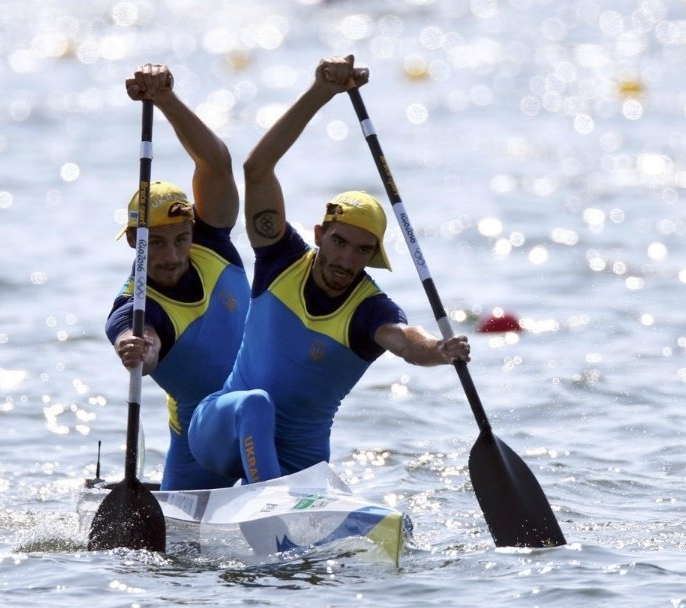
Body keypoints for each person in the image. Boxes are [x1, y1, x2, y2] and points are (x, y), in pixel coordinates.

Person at [187, 55, 471, 485]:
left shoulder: (369, 310)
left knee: (392, 525)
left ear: (373, 254)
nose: (346, 259)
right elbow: (256, 169)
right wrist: (321, 91)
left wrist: (440, 350)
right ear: (319, 234)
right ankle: (273, 503)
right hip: (218, 432)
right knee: (255, 404)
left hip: (300, 459)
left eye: (361, 250)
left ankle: (284, 505)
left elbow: (407, 342)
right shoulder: (280, 258)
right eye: (338, 242)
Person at [105, 64, 250, 490]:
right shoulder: (135, 308)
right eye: (158, 243)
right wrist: (136, 351)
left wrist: (166, 99)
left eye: (181, 239)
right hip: (198, 442)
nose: (172, 255)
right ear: (135, 240)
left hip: (267, 416)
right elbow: (142, 343)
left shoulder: (212, 242)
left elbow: (217, 165)